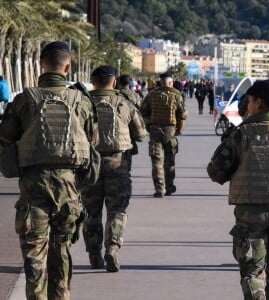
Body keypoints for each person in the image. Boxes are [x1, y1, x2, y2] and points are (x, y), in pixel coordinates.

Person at [0, 41, 97, 299]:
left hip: (33, 187)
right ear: (68, 66)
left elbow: (5, 141)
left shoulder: (24, 100)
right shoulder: (81, 101)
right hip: (69, 188)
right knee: (61, 250)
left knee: (34, 255)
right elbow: (91, 143)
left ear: (41, 64)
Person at [207, 79, 269, 300]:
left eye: (249, 101)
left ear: (258, 102)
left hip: (250, 213)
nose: (247, 105)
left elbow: (216, 171)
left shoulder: (241, 134)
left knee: (252, 272)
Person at [81, 65, 147, 272]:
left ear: (92, 81)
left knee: (91, 212)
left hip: (89, 166)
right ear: (114, 82)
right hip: (118, 165)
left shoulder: (82, 103)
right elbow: (141, 134)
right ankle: (112, 247)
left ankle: (94, 256)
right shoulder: (125, 104)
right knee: (117, 209)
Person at [141, 72, 187, 197]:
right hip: (170, 131)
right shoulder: (177, 96)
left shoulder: (151, 95)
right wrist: (179, 131)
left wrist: (149, 125)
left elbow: (143, 112)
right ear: (171, 83)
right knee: (170, 162)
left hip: (155, 131)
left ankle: (159, 189)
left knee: (156, 162)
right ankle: (170, 186)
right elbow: (182, 116)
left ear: (160, 82)